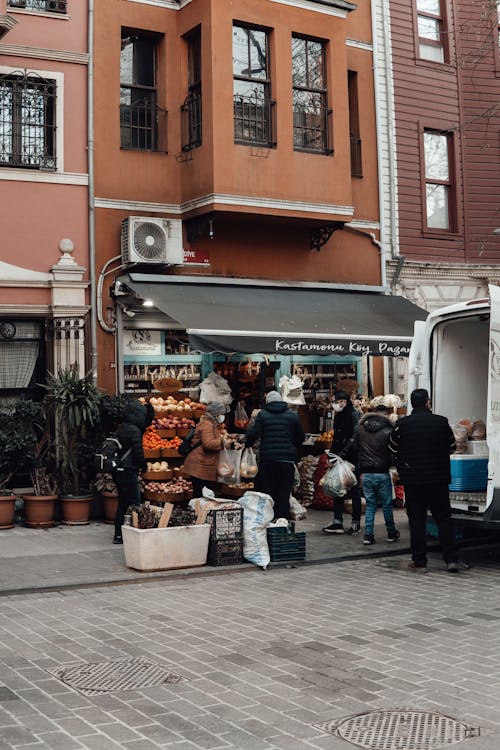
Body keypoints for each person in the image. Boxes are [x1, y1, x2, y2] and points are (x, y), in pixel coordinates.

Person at [389, 388, 458, 573]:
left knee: (417, 521)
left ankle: (420, 562)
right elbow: (452, 446)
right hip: (439, 479)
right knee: (444, 519)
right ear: (427, 402)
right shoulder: (442, 422)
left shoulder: (403, 425)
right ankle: (451, 560)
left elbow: (392, 447)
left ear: (412, 403)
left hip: (414, 481)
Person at [245, 390, 305, 520]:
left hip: (268, 460)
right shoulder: (292, 415)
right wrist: (290, 446)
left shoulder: (263, 415)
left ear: (267, 401)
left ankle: (270, 521)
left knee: (269, 492)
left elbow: (253, 434)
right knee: (284, 493)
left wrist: (247, 445)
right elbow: (301, 437)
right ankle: (283, 523)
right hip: (287, 460)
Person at [353, 403, 399, 545]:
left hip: (366, 473)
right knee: (386, 504)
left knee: (371, 504)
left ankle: (368, 535)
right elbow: (394, 450)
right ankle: (391, 533)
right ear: (386, 414)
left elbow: (355, 448)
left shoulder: (361, 429)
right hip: (382, 472)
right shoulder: (388, 430)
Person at [112, 399, 154, 544]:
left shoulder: (122, 427)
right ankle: (139, 532)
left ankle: (118, 535)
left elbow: (146, 422)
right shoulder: (134, 430)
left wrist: (150, 408)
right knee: (136, 502)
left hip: (118, 470)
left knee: (122, 503)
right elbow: (138, 452)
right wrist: (144, 466)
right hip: (129, 470)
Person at [322, 390, 362, 535]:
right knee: (336, 488)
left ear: (343, 401)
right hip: (338, 457)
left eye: (336, 401)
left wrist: (342, 454)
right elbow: (337, 437)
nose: (334, 404)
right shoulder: (339, 416)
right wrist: (332, 456)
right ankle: (337, 522)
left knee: (354, 490)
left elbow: (354, 438)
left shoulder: (354, 414)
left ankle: (355, 523)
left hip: (351, 459)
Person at [182, 401, 225, 498]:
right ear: (215, 414)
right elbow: (208, 444)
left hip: (203, 465)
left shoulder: (211, 423)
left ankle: (198, 511)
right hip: (200, 465)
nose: (222, 416)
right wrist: (224, 443)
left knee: (201, 494)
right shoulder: (206, 424)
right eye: (221, 414)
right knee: (199, 495)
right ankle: (197, 512)